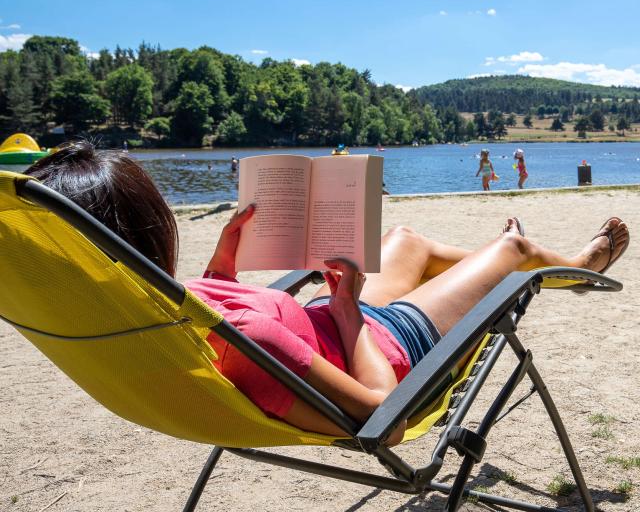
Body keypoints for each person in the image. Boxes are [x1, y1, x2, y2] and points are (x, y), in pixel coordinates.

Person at [24, 141, 630, 445]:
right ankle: (570, 264)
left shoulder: (153, 315)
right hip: (385, 343)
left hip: (340, 321)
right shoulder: (249, 337)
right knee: (515, 253)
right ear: (152, 230)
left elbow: (229, 322)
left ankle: (489, 268)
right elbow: (383, 414)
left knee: (403, 235)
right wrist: (347, 312)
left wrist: (224, 265)